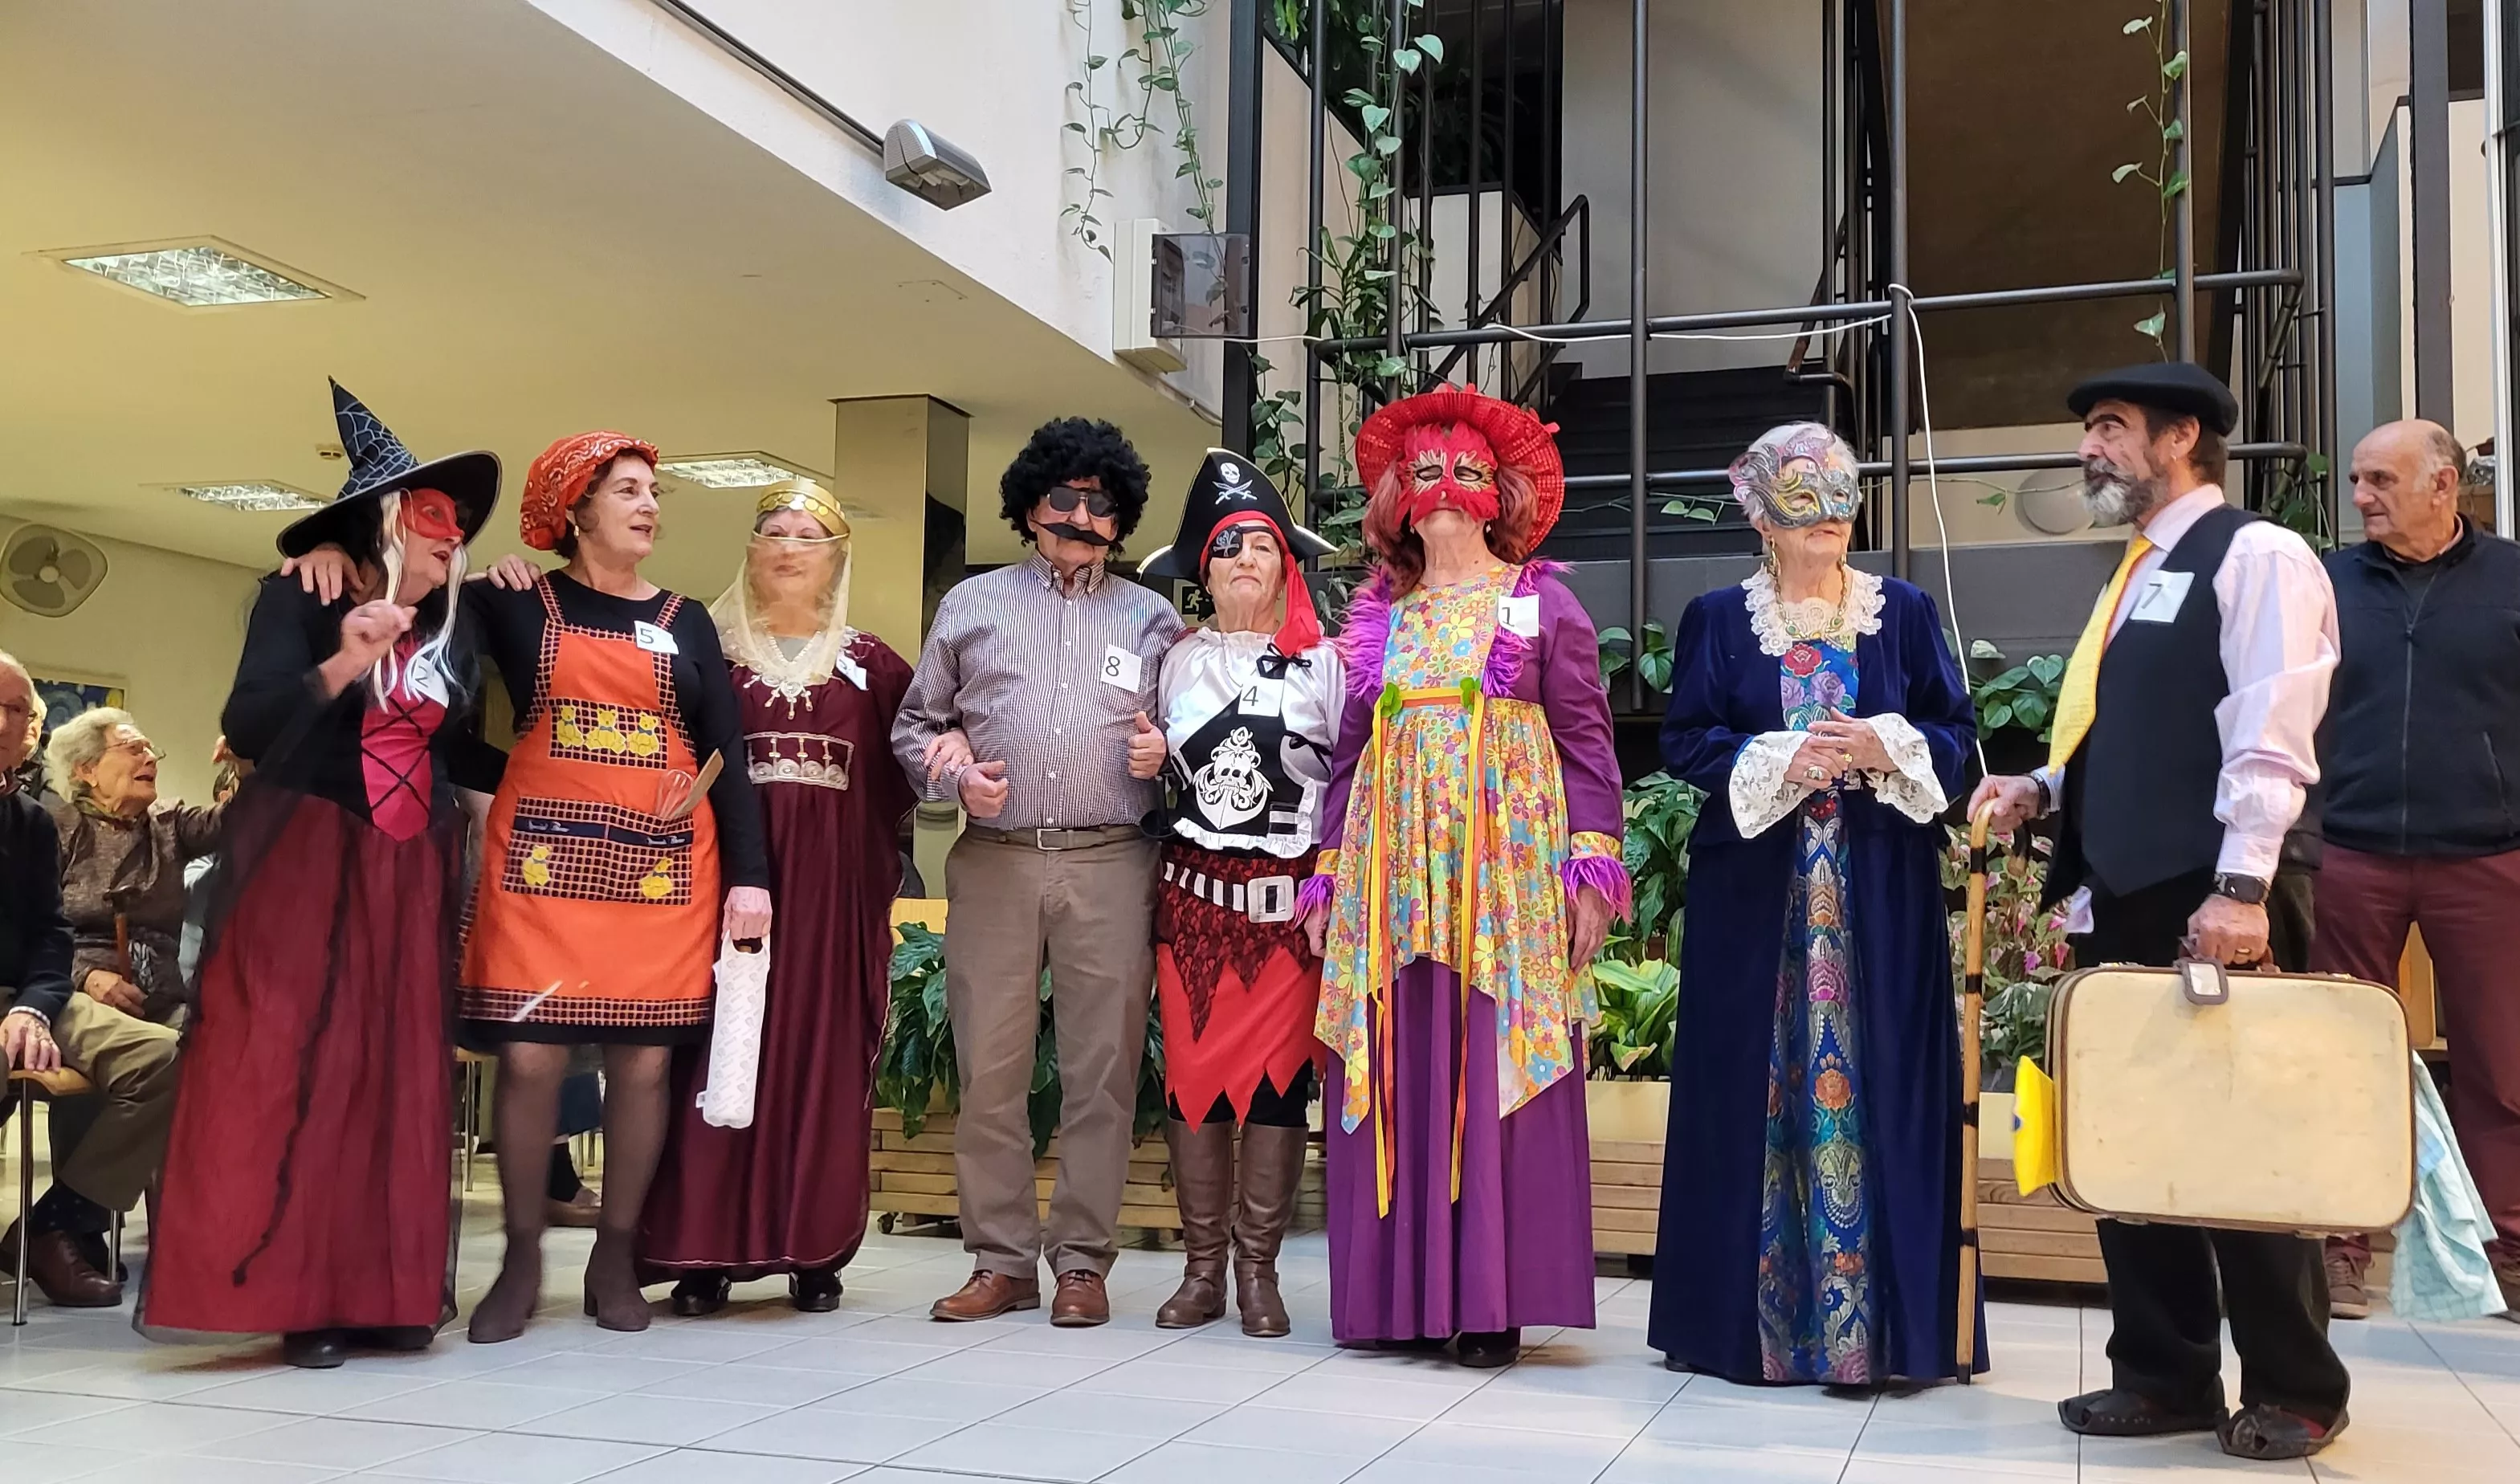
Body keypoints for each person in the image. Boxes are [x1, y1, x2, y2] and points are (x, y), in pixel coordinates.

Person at [295, 426, 776, 1339]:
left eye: (652, 491)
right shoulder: (511, 603)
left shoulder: (687, 620)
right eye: (628, 490)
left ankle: (615, 1257)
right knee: (528, 1056)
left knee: (644, 1062)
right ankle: (521, 1258)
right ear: (576, 509)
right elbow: (412, 660)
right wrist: (336, 548)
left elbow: (728, 753)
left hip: (664, 868)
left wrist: (751, 876)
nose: (648, 507)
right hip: (543, 858)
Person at [1972, 362, 2345, 1460]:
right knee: (2130, 1141)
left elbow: (2269, 721)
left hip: (2216, 893)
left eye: (2108, 428)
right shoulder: (2129, 574)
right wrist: (2038, 789)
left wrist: (2240, 889)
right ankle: (2164, 1373)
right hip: (2120, 898)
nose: (2089, 449)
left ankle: (2294, 1386)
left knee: (2245, 1144)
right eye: (2089, 429)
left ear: (2182, 436)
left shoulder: (2256, 554)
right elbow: (2114, 732)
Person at [144, 382, 504, 1367]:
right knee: (300, 1065)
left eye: (462, 523)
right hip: (306, 855)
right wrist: (344, 662)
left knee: (393, 1073)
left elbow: (463, 754)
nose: (455, 533)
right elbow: (253, 726)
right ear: (387, 521)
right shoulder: (301, 594)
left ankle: (381, 1292)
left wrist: (568, 797)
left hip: (409, 870)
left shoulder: (455, 628)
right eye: (436, 516)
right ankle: (304, 1295)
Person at [1649, 424, 1981, 1385]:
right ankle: (1746, 1332)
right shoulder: (1718, 619)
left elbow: (1955, 732)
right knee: (1747, 1079)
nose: (1830, 526)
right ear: (1761, 517)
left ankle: (1895, 1335)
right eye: (1806, 510)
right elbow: (1685, 740)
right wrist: (1774, 757)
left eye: (1841, 507)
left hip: (1879, 883)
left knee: (1888, 1078)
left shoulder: (1904, 613)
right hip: (1757, 895)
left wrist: (1889, 745)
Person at [1307, 386, 1624, 1368]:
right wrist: (1327, 875)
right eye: (1425, 472)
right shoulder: (1378, 618)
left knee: (1488, 1061)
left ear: (1504, 493)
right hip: (1391, 882)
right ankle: (1400, 1297)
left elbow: (1586, 744)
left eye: (1469, 472)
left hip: (1507, 882)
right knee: (1401, 1059)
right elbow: (1351, 755)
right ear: (1398, 495)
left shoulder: (1542, 605)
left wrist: (1592, 868)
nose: (1444, 488)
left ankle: (1488, 1297)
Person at [891, 418, 1183, 1328]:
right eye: (1067, 499)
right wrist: (951, 770)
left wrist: (1161, 757)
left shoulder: (1154, 620)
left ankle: (1085, 1264)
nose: (1084, 517)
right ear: (1028, 507)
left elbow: (1195, 750)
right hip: (998, 863)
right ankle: (1001, 1260)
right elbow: (915, 727)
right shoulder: (970, 607)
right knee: (990, 1069)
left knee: (1102, 1072)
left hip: (1112, 861)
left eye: (1103, 505)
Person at [640, 478, 915, 1315]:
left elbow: (905, 783)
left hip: (836, 907)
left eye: (810, 537)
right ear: (751, 550)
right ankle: (702, 1251)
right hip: (725, 900)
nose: (790, 548)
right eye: (776, 533)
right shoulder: (704, 655)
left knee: (817, 1063)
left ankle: (813, 1246)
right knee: (718, 1060)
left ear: (837, 560)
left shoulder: (874, 667)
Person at [2311, 418, 2520, 1321]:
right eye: (2357, 480)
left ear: (2446, 486)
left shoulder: (2512, 578)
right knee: (2344, 1057)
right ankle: (2339, 1246)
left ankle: (2506, 1251)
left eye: (2381, 481)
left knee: (2499, 1063)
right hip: (2353, 850)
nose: (2361, 498)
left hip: (2488, 852)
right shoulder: (2325, 583)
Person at [1129, 451, 1341, 1336]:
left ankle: (1260, 1272)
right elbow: (1141, 764)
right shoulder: (1173, 663)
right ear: (1203, 573)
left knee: (1278, 1089)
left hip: (1289, 908)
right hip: (1192, 904)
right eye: (1224, 549)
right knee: (1194, 1087)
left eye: (1259, 543)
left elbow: (1355, 779)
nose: (1243, 559)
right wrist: (1143, 762)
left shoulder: (1331, 665)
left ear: (1284, 562)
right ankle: (1202, 1269)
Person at [2, 653, 181, 1310]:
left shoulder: (26, 820)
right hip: (72, 987)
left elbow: (48, 935)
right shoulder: (62, 824)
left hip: (37, 993)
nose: (3, 720)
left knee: (164, 1055)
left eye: (16, 709)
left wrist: (34, 1006)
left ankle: (54, 1226)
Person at [42, 707, 221, 1029]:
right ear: (87, 770)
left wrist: (252, 759)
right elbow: (26, 932)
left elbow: (245, 817)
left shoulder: (170, 824)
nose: (151, 758)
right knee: (176, 1057)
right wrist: (84, 974)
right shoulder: (57, 828)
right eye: (134, 749)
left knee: (236, 1046)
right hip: (81, 1002)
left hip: (166, 1007)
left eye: (151, 750)